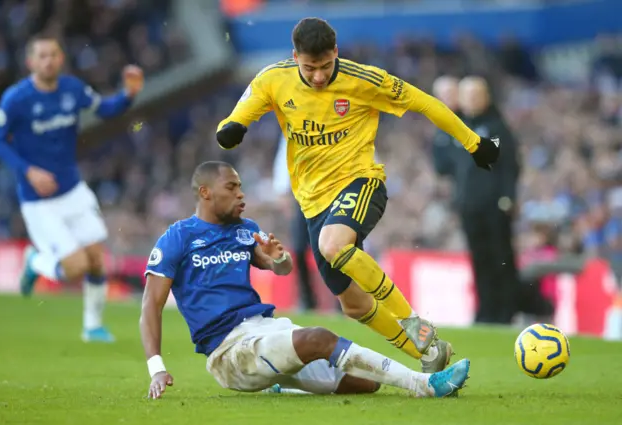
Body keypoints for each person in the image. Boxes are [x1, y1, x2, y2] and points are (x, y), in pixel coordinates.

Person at [216, 17, 500, 372]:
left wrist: (474, 143)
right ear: (295, 57)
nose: (318, 76)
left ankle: (412, 320)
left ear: (336, 52)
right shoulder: (274, 78)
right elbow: (237, 116)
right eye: (309, 68)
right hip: (312, 204)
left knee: (332, 245)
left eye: (325, 66)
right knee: (353, 305)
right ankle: (430, 356)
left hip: (360, 182)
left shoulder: (364, 80)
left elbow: (424, 102)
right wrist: (231, 128)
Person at [140, 161, 471, 399]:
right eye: (232, 187)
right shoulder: (178, 238)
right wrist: (156, 367)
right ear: (205, 192)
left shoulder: (243, 230)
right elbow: (150, 306)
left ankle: (281, 384)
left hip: (266, 329)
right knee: (319, 338)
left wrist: (278, 257)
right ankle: (425, 385)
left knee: (366, 384)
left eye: (241, 186)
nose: (242, 195)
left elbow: (281, 269)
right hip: (229, 351)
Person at [0, 34, 144, 342]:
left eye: (53, 54)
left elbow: (104, 109)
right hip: (39, 199)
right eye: (41, 56)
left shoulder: (72, 89)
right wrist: (27, 170)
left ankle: (92, 326)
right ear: (31, 62)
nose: (48, 60)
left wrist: (127, 95)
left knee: (98, 258)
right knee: (74, 267)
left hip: (72, 190)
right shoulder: (17, 98)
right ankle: (34, 260)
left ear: (60, 58)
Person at [457, 76, 520, 324]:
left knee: (501, 257)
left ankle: (506, 311)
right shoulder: (456, 126)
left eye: (476, 95)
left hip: (494, 204)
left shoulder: (496, 126)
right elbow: (448, 166)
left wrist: (507, 197)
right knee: (479, 259)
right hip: (469, 206)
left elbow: (509, 164)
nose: (472, 100)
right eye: (468, 95)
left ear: (486, 97)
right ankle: (485, 311)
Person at [273, 133, 317, 311]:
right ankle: (307, 300)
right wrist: (283, 190)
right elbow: (286, 153)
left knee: (332, 249)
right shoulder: (294, 118)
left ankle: (342, 301)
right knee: (298, 248)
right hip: (302, 195)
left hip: (330, 192)